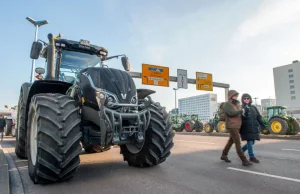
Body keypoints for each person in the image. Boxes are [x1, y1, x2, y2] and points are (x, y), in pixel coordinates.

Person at [220, 90, 252, 166]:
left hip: (237, 125)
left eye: (236, 95)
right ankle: (244, 160)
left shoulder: (237, 104)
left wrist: (245, 112)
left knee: (231, 141)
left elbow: (240, 114)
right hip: (232, 126)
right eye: (234, 95)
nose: (236, 97)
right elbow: (231, 113)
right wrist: (241, 111)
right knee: (238, 143)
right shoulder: (227, 104)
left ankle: (223, 155)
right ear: (230, 96)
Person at [240, 93, 265, 163]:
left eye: (248, 98)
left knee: (252, 142)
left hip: (254, 127)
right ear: (242, 100)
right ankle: (252, 156)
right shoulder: (241, 107)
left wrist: (262, 124)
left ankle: (241, 150)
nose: (246, 100)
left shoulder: (253, 107)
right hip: (246, 127)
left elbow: (258, 116)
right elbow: (240, 117)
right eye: (244, 98)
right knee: (250, 141)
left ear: (250, 99)